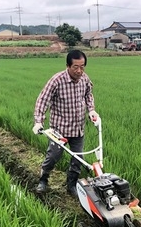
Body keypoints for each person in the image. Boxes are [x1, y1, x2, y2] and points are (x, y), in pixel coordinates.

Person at [33, 49, 100, 196]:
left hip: (78, 129)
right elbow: (42, 100)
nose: (79, 70)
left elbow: (89, 94)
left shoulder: (85, 79)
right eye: (75, 67)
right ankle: (43, 179)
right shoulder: (57, 80)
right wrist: (38, 122)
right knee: (53, 156)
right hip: (59, 130)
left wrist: (91, 110)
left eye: (82, 67)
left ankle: (71, 185)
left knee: (78, 159)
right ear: (68, 66)